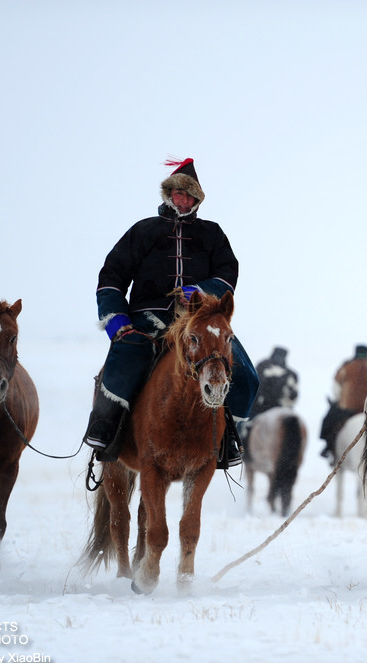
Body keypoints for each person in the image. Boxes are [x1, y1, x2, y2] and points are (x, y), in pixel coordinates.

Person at [83, 158, 259, 469]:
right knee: (127, 356)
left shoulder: (212, 234)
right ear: (169, 194)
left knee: (245, 374)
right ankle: (105, 430)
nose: (185, 201)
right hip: (146, 318)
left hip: (200, 321)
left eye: (191, 196)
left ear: (197, 200)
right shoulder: (142, 231)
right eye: (179, 194)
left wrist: (199, 291)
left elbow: (228, 274)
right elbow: (111, 277)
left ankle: (229, 438)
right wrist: (118, 322)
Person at [321, 344, 367, 460]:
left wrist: (339, 400)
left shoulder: (346, 366)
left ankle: (328, 448)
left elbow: (336, 388)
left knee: (328, 423)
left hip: (348, 409)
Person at [249, 346, 299, 419]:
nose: (278, 358)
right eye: (278, 355)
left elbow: (293, 395)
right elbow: (254, 384)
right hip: (260, 405)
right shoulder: (263, 366)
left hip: (276, 407)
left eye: (280, 356)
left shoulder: (291, 374)